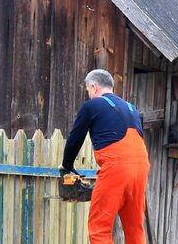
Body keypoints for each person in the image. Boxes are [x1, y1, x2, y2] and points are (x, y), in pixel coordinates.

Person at [59, 69, 150, 244]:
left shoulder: (91, 106)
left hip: (116, 167)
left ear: (93, 87)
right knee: (134, 227)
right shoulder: (132, 108)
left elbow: (75, 139)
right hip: (141, 167)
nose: (89, 94)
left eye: (88, 90)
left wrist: (67, 165)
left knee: (99, 227)